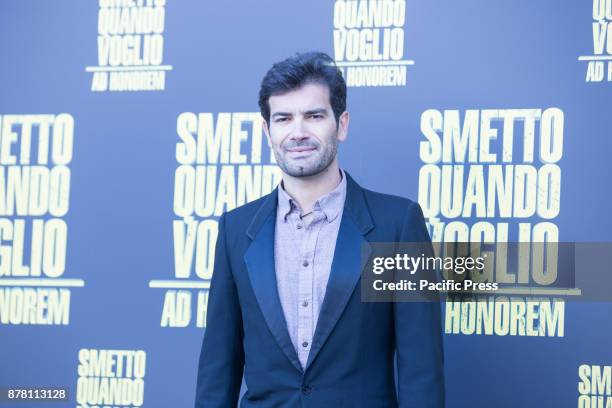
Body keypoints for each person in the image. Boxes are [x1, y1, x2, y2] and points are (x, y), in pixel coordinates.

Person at [195, 51, 444, 408]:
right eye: (283, 118)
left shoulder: (398, 224)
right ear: (267, 130)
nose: (298, 132)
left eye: (313, 116)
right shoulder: (236, 229)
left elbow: (421, 368)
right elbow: (218, 366)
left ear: (341, 124)